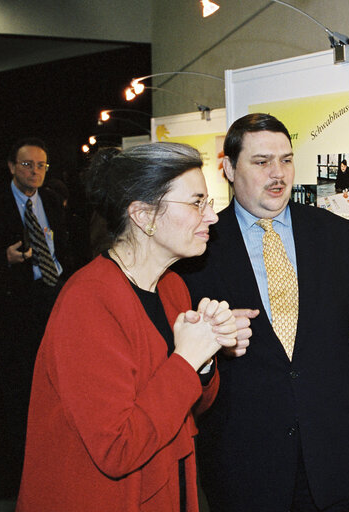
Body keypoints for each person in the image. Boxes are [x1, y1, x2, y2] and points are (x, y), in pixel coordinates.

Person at [177, 113, 349, 511]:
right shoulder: (199, 249)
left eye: (286, 160)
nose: (278, 173)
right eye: (261, 161)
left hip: (334, 457)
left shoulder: (334, 232)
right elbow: (187, 352)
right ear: (228, 168)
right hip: (246, 466)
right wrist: (213, 339)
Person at [16, 143, 248, 511]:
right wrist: (187, 361)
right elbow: (117, 448)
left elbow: (186, 407)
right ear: (143, 215)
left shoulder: (172, 286)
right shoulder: (88, 301)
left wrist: (204, 357)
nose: (212, 216)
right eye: (196, 203)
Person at [0, 137, 72, 496]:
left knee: (53, 375)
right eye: (27, 165)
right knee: (17, 383)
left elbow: (68, 247)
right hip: (13, 306)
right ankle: (19, 459)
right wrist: (4, 259)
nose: (35, 172)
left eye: (41, 166)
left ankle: (52, 443)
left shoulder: (53, 202)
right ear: (11, 167)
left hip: (51, 297)